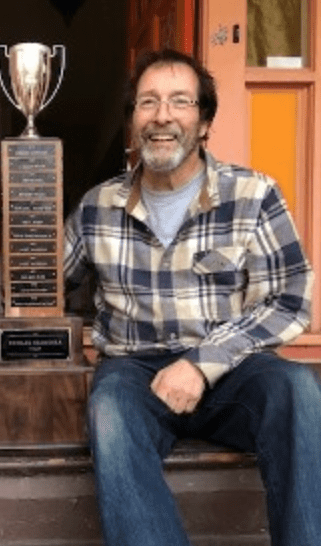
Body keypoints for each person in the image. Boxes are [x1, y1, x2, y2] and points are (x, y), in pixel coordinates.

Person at [64, 49, 321, 546]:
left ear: (204, 122)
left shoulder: (254, 193)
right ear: (133, 122)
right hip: (133, 370)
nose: (162, 116)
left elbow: (290, 297)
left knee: (299, 392)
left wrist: (203, 363)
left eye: (180, 102)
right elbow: (42, 289)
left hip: (232, 366)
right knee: (108, 412)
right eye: (148, 103)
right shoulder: (98, 207)